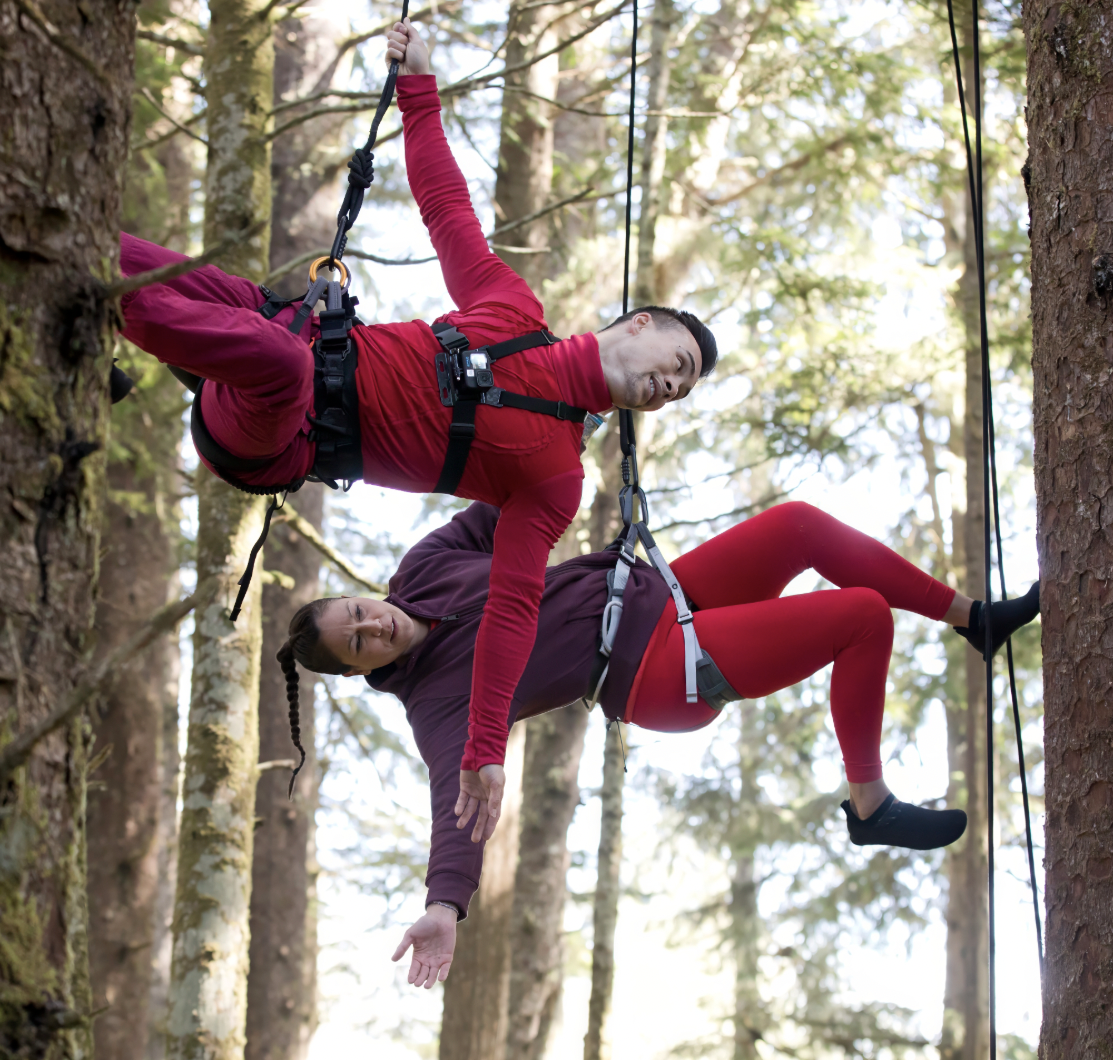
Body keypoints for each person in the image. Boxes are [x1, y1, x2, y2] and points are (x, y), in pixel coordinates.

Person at [116, 21, 716, 787]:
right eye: (677, 363)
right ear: (640, 324)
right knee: (174, 275)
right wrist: (419, 82)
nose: (671, 386)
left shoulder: (555, 480)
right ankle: (79, 251)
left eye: (681, 390)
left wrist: (486, 748)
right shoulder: (511, 311)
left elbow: (511, 610)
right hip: (275, 334)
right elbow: (444, 206)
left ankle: (88, 297)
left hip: (269, 432)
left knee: (276, 362)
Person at [275, 500, 1040, 988]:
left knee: (800, 525)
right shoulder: (436, 706)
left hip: (652, 592)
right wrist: (446, 904)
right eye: (359, 644)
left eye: (357, 612)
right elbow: (457, 805)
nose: (373, 626)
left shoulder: (423, 569)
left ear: (361, 593)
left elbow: (510, 495)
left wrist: (578, 401)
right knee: (862, 617)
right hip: (652, 670)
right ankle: (871, 805)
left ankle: (975, 618)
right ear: (360, 670)